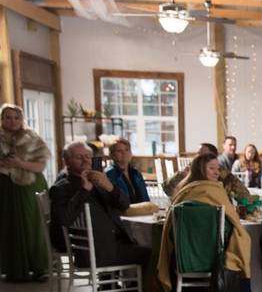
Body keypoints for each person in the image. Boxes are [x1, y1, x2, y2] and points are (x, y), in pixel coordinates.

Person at [156, 152, 254, 292]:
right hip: (216, 260)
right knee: (242, 240)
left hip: (183, 259)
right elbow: (235, 227)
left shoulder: (182, 192)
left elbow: (171, 232)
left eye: (218, 168)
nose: (217, 173)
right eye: (212, 169)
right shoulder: (216, 192)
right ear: (201, 170)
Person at [49, 141, 150, 270]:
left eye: (87, 156)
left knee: (141, 247)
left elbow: (125, 205)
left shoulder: (98, 180)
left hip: (110, 244)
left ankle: (116, 287)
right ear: (67, 162)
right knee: (151, 254)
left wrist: (110, 187)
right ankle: (136, 290)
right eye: (79, 157)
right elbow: (64, 219)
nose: (85, 160)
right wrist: (84, 190)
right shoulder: (62, 187)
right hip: (93, 252)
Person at [0, 103, 50, 281]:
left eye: (16, 117)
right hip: (5, 187)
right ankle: (13, 269)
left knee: (34, 224)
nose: (12, 121)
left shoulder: (32, 137)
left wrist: (19, 164)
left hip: (31, 185)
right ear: (2, 119)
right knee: (9, 224)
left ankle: (39, 267)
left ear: (22, 119)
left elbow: (41, 165)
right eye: (8, 117)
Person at [106, 139, 149, 204]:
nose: (124, 153)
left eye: (127, 150)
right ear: (112, 155)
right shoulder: (109, 174)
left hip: (141, 211)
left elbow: (145, 198)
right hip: (122, 212)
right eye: (119, 151)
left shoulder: (136, 173)